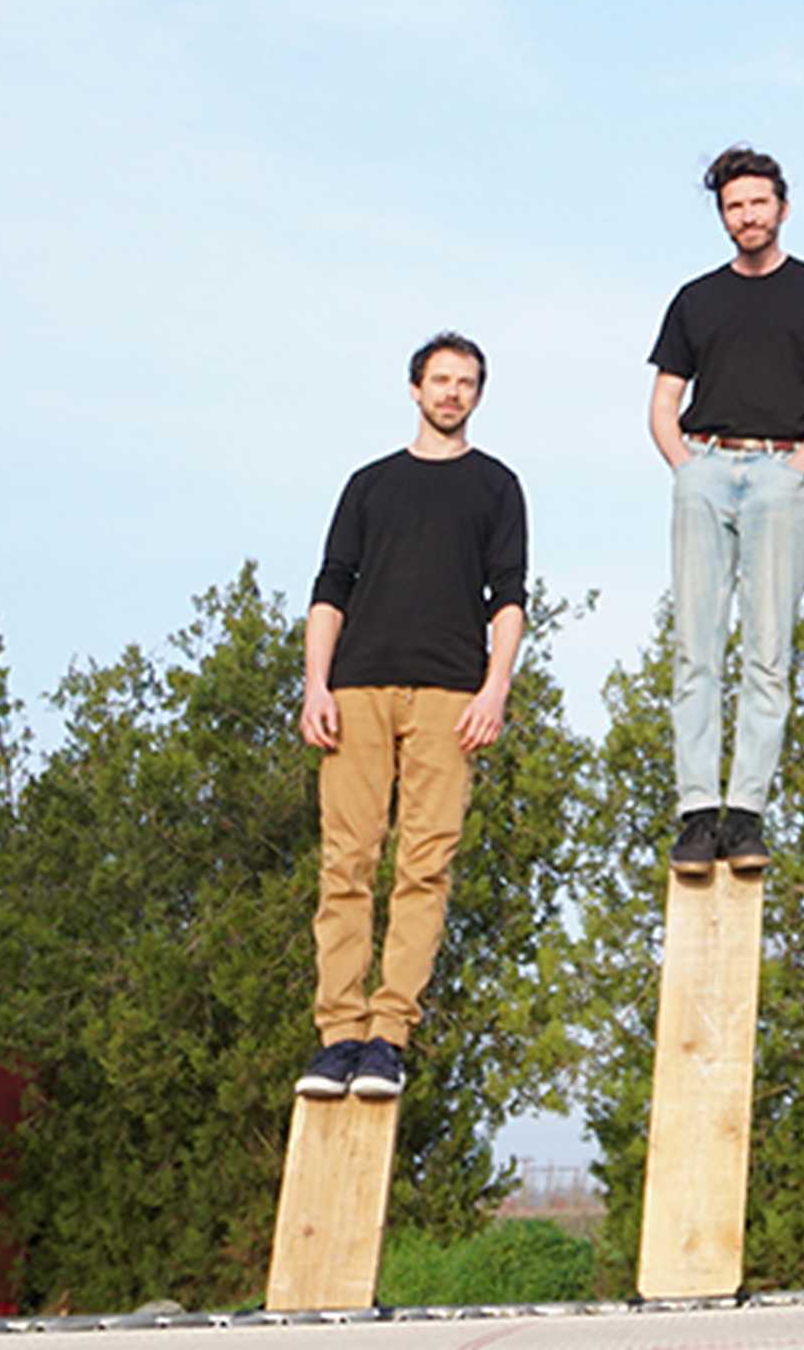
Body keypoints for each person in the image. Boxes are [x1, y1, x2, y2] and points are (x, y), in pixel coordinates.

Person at [295, 330, 528, 1104]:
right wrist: (314, 686)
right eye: (441, 379)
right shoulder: (370, 484)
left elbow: (509, 599)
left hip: (450, 697)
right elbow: (331, 587)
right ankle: (338, 1040)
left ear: (478, 395)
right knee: (347, 865)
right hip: (357, 689)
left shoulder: (497, 487)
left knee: (424, 868)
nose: (452, 392)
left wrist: (495, 690)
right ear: (414, 388)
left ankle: (388, 1038)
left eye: (466, 382)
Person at [646, 145, 804, 874]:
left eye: (758, 203)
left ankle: (746, 814)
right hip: (706, 466)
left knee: (769, 650)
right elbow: (662, 400)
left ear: (783, 208)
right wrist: (687, 467)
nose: (748, 215)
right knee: (695, 648)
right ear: (723, 216)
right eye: (735, 206)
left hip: (780, 469)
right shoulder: (695, 300)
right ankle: (697, 811)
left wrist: (797, 468)